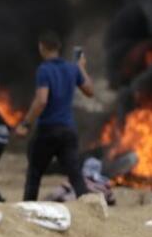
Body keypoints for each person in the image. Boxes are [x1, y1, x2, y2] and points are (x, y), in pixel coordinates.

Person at [16, 31, 95, 201]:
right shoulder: (72, 68)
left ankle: (27, 211)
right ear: (58, 48)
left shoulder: (44, 70)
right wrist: (81, 67)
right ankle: (89, 207)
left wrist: (26, 124)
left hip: (48, 130)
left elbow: (41, 100)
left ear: (42, 47)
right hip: (68, 130)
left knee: (34, 174)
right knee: (75, 174)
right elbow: (90, 91)